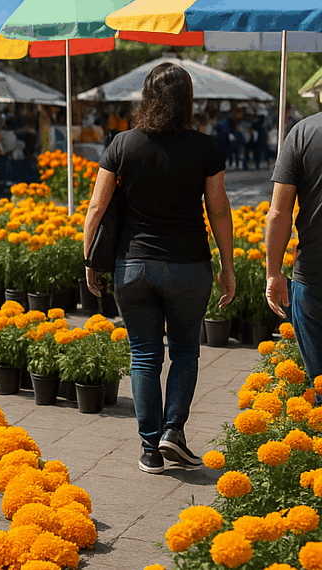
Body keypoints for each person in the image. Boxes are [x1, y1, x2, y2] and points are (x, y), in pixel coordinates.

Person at [84, 62, 235, 474]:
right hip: (188, 266)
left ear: (146, 97)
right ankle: (173, 431)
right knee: (185, 350)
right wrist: (228, 264)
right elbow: (218, 210)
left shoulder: (122, 144)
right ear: (187, 101)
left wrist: (89, 258)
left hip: (133, 267)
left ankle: (149, 449)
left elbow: (97, 207)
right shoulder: (205, 148)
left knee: (144, 356)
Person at [264, 108, 322, 388]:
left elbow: (278, 211)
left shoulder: (304, 132)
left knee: (321, 383)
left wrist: (273, 272)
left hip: (314, 272)